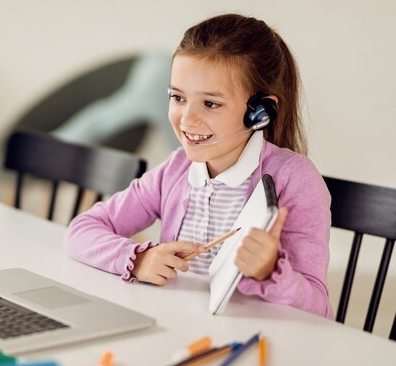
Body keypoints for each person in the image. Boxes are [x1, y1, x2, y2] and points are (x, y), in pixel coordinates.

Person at [63, 13, 333, 319]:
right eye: (177, 97)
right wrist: (137, 259)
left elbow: (319, 309)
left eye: (210, 103)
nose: (187, 119)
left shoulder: (296, 179)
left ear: (261, 112)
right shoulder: (175, 170)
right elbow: (81, 231)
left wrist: (269, 271)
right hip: (178, 329)